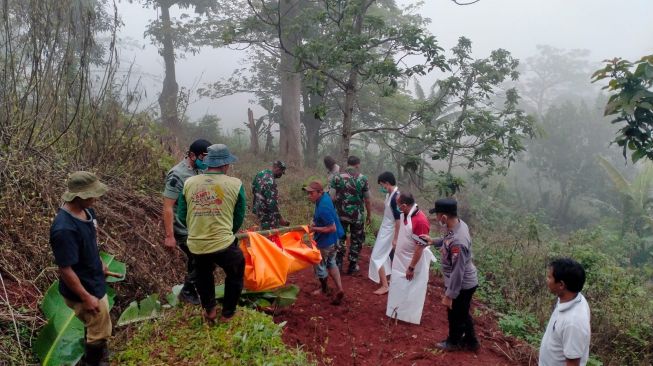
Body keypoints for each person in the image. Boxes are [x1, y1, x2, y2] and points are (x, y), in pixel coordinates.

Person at [50, 171, 121, 366]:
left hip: (94, 280)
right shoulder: (64, 229)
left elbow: (89, 242)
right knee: (99, 331)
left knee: (96, 326)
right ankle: (92, 362)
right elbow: (65, 269)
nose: (96, 198)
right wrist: (85, 297)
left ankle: (98, 354)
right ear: (79, 196)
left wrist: (99, 263)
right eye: (92, 194)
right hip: (82, 289)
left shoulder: (87, 211)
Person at [177, 144, 247, 323]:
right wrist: (228, 232)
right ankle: (228, 314)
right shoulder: (235, 184)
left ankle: (210, 310)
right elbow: (239, 215)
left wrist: (197, 229)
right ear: (225, 165)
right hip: (223, 243)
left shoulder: (189, 183)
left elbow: (182, 215)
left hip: (196, 243)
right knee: (236, 270)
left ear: (207, 163)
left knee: (203, 274)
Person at [420, 198, 479, 352]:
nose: (437, 218)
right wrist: (433, 241)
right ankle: (471, 342)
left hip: (462, 284)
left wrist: (450, 294)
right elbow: (447, 239)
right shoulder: (458, 225)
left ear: (444, 217)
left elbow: (458, 272)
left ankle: (453, 342)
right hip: (466, 282)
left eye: (438, 215)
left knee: (454, 314)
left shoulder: (459, 242)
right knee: (463, 312)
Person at [162, 138, 212, 305]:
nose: (206, 161)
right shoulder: (177, 175)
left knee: (201, 259)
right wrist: (170, 236)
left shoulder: (197, 171)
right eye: (204, 157)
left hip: (195, 226)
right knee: (202, 258)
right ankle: (188, 291)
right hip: (182, 228)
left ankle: (193, 289)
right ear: (192, 155)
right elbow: (168, 207)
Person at [385, 192, 435, 325]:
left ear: (404, 205)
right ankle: (396, 311)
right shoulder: (405, 214)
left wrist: (411, 267)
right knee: (397, 285)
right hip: (400, 259)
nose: (397, 208)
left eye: (398, 206)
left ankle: (408, 316)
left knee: (411, 288)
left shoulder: (421, 221)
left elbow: (420, 247)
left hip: (412, 261)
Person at [539, 258, 591, 366]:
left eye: (549, 277)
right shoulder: (571, 298)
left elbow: (573, 363)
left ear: (561, 285)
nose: (546, 280)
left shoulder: (573, 322)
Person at [303, 181, 345, 305]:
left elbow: (332, 227)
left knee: (319, 263)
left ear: (320, 192)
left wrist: (314, 228)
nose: (309, 195)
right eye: (308, 193)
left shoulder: (323, 208)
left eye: (312, 193)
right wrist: (316, 222)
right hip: (335, 240)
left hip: (326, 241)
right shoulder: (325, 198)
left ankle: (324, 288)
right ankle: (340, 289)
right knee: (332, 263)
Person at [329, 155, 372, 274]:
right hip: (357, 216)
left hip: (340, 215)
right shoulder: (363, 179)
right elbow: (368, 199)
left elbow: (331, 197)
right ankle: (352, 266)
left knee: (340, 238)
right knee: (356, 239)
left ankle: (338, 263)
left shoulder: (337, 177)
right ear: (357, 164)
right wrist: (369, 215)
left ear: (348, 164)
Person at [368, 172, 401, 295]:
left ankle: (385, 285)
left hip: (390, 230)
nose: (382, 188)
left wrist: (396, 238)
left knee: (377, 256)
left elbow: (398, 220)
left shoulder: (395, 198)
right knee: (383, 255)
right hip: (386, 228)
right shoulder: (390, 194)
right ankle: (388, 280)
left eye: (382, 185)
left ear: (387, 183)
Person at [252, 160, 290, 230]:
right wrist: (280, 219)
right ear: (278, 169)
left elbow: (253, 189)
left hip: (258, 211)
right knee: (269, 236)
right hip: (268, 215)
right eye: (281, 172)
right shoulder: (271, 180)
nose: (281, 175)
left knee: (260, 233)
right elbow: (272, 204)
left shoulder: (260, 174)